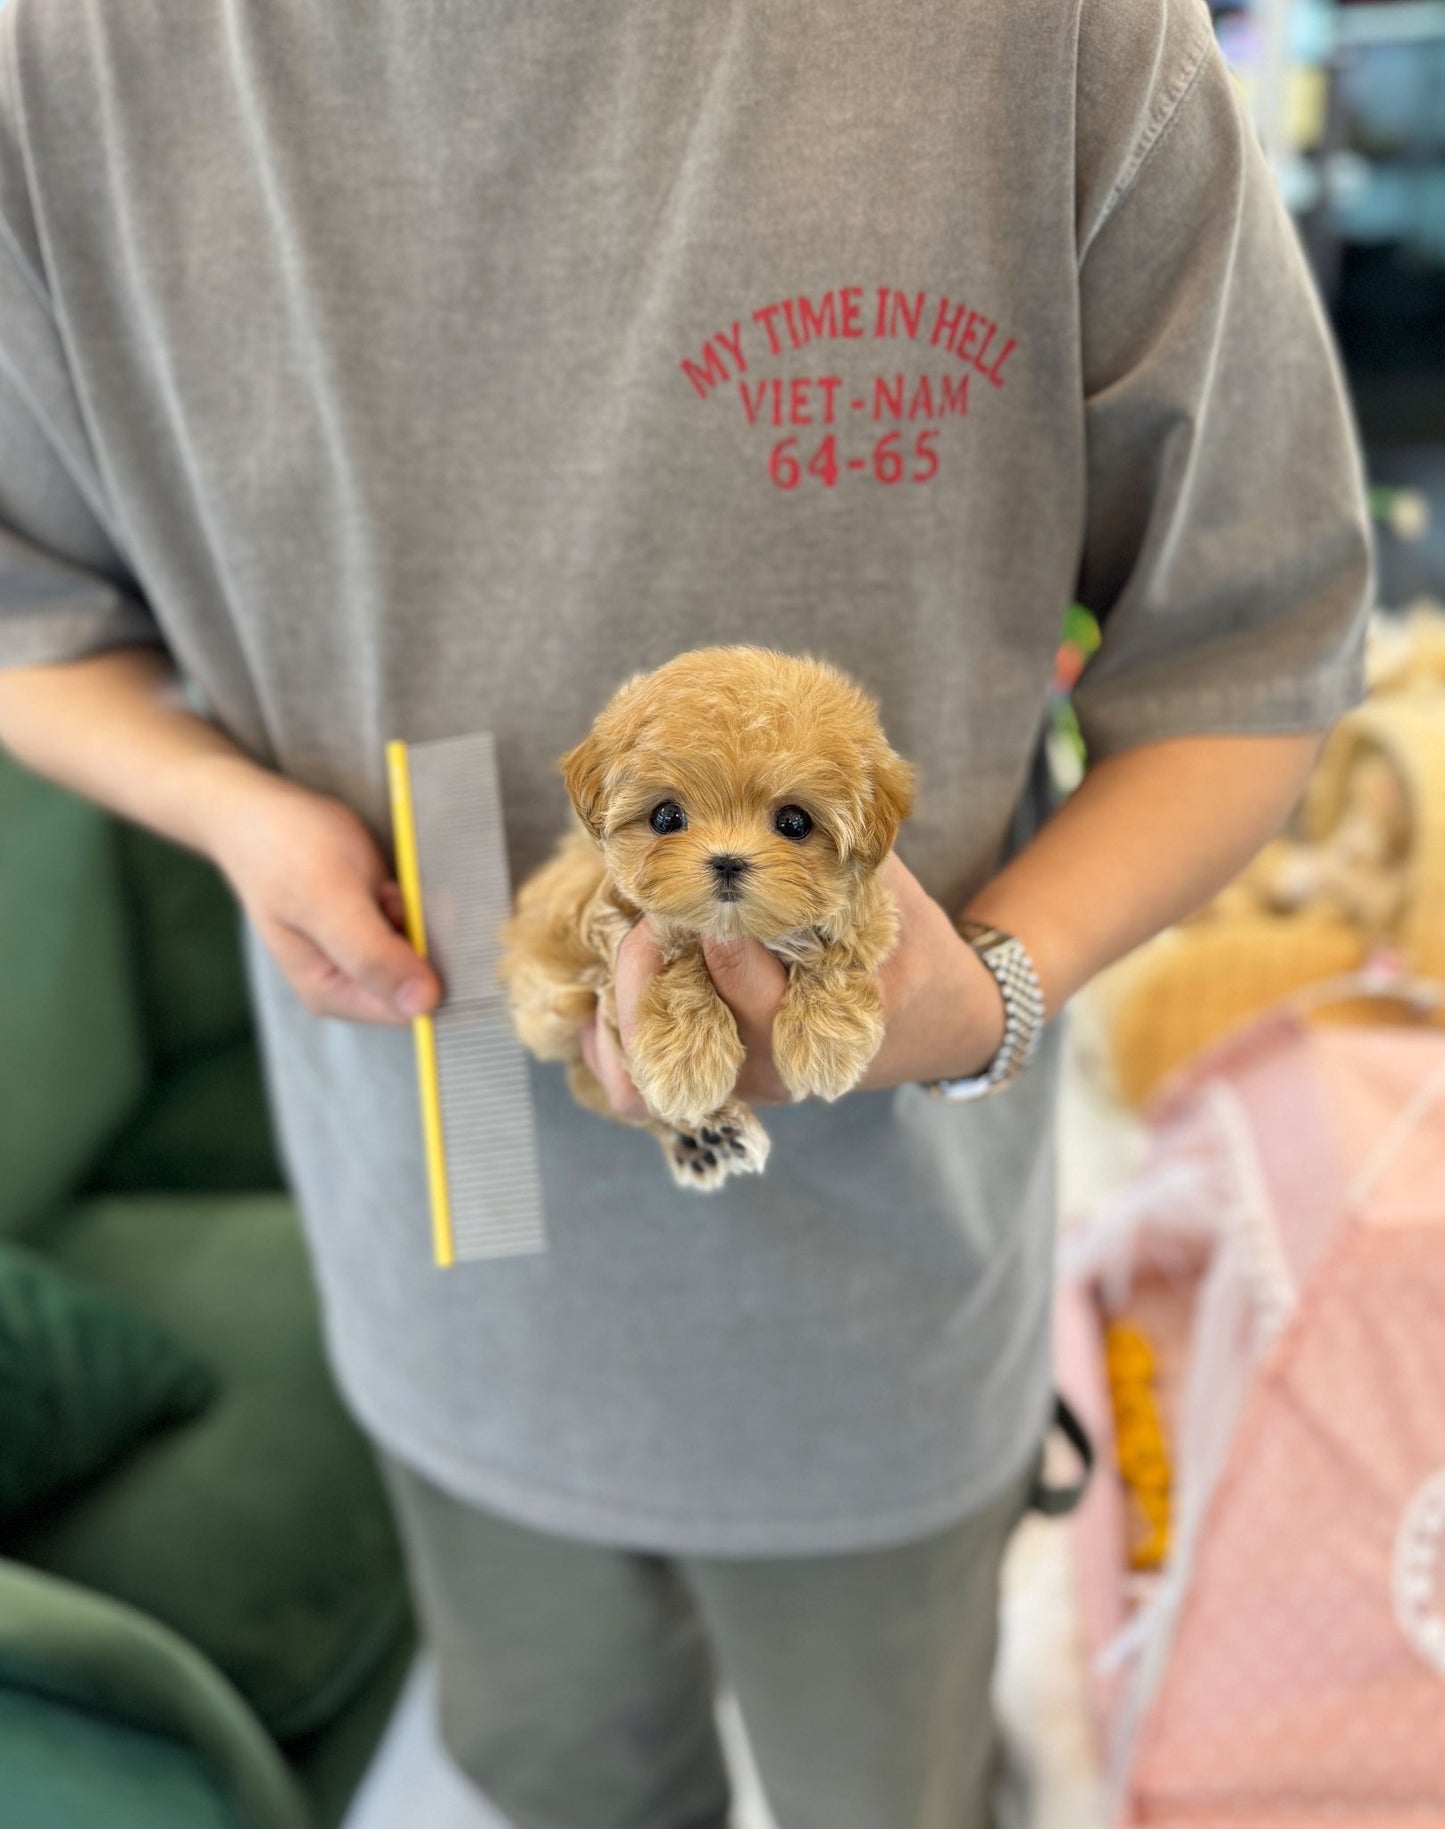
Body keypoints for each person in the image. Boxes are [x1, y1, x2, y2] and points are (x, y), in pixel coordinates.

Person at [0, 1, 1373, 1824]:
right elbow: (34, 607)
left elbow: (1249, 657)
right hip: (438, 1237)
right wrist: (235, 815)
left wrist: (989, 995)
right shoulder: (67, 72)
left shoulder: (1042, 48)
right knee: (565, 1774)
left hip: (882, 1303)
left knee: (893, 1789)